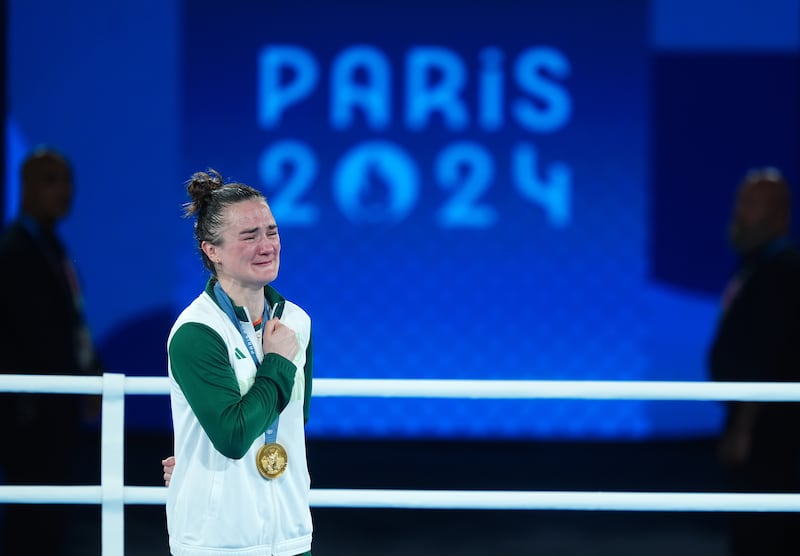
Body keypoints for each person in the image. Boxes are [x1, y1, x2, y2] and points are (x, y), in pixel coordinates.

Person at [165, 169, 314, 556]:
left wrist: (195, 456)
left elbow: (292, 420)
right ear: (211, 250)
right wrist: (277, 363)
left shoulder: (296, 321)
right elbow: (232, 437)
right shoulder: (197, 332)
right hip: (219, 543)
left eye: (272, 231)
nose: (267, 245)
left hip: (292, 537)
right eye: (249, 236)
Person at [0, 147, 103, 554]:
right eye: (51, 180)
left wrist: (92, 371)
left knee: (50, 515)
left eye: (67, 180)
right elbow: (24, 335)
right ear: (26, 187)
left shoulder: (51, 246)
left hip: (56, 406)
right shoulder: (15, 251)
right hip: (29, 410)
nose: (64, 190)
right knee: (32, 515)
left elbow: (71, 323)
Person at [708, 167, 800, 555]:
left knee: (765, 533)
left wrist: (743, 428)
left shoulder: (782, 271)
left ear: (780, 215)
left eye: (751, 205)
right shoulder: (759, 266)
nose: (739, 213)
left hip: (774, 435)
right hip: (763, 429)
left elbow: (769, 353)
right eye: (739, 203)